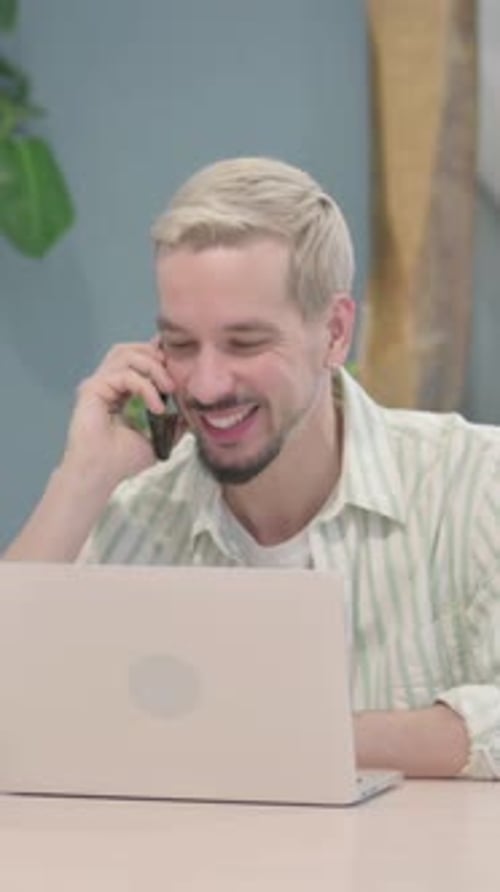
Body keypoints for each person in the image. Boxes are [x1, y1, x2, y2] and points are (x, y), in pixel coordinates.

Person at [3, 157, 500, 781]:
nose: (206, 385)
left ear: (336, 332)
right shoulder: (130, 511)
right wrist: (81, 479)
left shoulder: (475, 482)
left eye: (246, 343)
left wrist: (277, 734)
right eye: (180, 344)